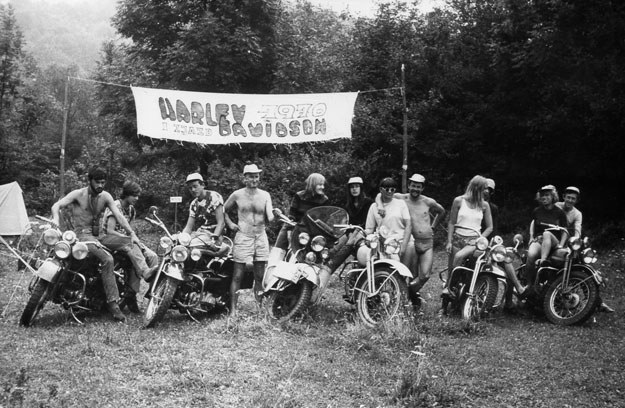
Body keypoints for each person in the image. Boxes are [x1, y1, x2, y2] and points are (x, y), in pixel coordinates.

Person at [51, 167, 138, 322]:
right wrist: (55, 220)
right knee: (107, 259)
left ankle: (122, 296)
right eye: (97, 182)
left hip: (97, 237)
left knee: (126, 250)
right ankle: (113, 303)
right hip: (80, 235)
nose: (100, 185)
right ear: (89, 180)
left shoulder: (105, 196)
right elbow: (56, 206)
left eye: (103, 182)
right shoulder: (78, 194)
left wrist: (131, 233)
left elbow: (119, 216)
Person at [375, 174, 446, 308]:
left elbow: (441, 211)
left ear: (422, 188)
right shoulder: (401, 198)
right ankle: (408, 299)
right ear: (409, 186)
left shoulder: (428, 201)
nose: (415, 189)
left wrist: (433, 226)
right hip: (410, 242)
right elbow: (380, 194)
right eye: (413, 185)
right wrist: (380, 205)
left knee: (425, 275)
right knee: (409, 273)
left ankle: (408, 293)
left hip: (426, 242)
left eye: (418, 187)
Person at [99, 181, 159, 313]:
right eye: (134, 195)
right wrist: (129, 238)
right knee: (132, 245)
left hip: (124, 240)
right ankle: (145, 272)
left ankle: (152, 291)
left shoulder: (131, 210)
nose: (137, 198)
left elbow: (128, 229)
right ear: (126, 194)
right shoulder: (116, 206)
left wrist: (134, 240)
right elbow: (110, 230)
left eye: (138, 196)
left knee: (152, 256)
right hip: (109, 239)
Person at [223, 163, 275, 316]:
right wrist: (230, 223)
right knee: (238, 275)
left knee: (259, 275)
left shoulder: (265, 195)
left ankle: (259, 309)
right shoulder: (237, 194)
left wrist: (276, 215)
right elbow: (223, 209)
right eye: (251, 176)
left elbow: (270, 216)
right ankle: (233, 311)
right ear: (244, 178)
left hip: (260, 236)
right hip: (243, 236)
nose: (254, 179)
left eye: (257, 176)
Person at [556, 186, 613, 313]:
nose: (570, 200)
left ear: (576, 200)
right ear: (563, 196)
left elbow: (577, 229)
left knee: (582, 266)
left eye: (573, 199)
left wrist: (575, 241)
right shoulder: (556, 206)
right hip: (552, 240)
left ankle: (596, 301)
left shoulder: (577, 213)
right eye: (568, 197)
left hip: (567, 243)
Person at [442, 175, 493, 299]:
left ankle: (457, 293)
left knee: (461, 260)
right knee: (452, 271)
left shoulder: (484, 205)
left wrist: (480, 239)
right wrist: (449, 241)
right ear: (476, 188)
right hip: (457, 239)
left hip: (473, 241)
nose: (486, 191)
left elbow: (489, 227)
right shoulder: (459, 201)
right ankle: (446, 302)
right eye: (484, 188)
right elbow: (452, 222)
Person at [269, 173, 328, 263]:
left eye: (323, 184)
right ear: (313, 184)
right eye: (320, 184)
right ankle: (273, 267)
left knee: (315, 254)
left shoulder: (324, 200)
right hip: (293, 225)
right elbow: (292, 214)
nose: (322, 187)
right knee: (279, 249)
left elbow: (323, 218)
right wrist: (289, 232)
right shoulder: (300, 196)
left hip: (310, 230)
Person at [524, 185, 569, 292]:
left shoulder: (559, 212)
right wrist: (531, 237)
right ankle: (529, 284)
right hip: (540, 240)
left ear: (553, 196)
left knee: (547, 233)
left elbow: (565, 231)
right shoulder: (537, 211)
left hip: (553, 241)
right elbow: (533, 223)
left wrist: (561, 245)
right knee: (530, 254)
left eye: (547, 195)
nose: (544, 197)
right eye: (542, 195)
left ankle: (543, 261)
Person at [365, 177, 411, 261]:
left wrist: (404, 245)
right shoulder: (374, 207)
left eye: (392, 189)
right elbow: (369, 229)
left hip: (401, 241)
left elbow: (408, 225)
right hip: (384, 243)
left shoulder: (401, 204)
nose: (389, 191)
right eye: (387, 189)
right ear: (381, 189)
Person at [182, 172, 225, 237]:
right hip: (201, 234)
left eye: (195, 186)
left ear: (202, 185)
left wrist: (214, 238)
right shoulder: (194, 204)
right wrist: (182, 237)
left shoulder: (214, 197)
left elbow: (221, 223)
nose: (193, 190)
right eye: (190, 188)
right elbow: (188, 227)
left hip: (215, 233)